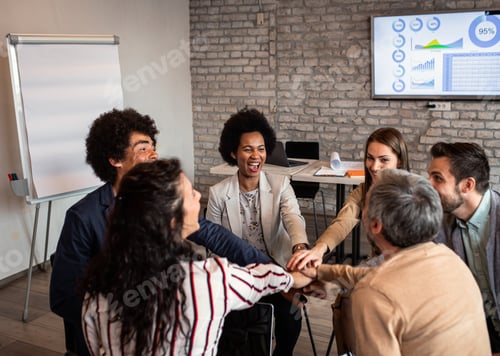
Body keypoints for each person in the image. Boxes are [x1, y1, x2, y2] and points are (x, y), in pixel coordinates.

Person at [50, 108, 272, 356]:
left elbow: (213, 234)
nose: (154, 154)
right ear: (115, 159)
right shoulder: (83, 217)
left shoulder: (158, 201)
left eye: (153, 145)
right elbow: (62, 297)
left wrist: (273, 267)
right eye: (143, 148)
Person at [81, 159, 308, 355]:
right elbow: (262, 279)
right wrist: (295, 278)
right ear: (172, 219)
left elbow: (96, 348)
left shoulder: (96, 292)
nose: (198, 194)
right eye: (190, 193)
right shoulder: (208, 280)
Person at [299, 169, 490, 355]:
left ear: (375, 224)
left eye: (365, 204)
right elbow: (380, 279)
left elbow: (379, 285)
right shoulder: (449, 258)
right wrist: (321, 273)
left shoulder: (373, 295)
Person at [206, 107, 309, 355]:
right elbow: (212, 243)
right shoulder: (218, 193)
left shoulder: (280, 183)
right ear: (233, 152)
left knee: (291, 311)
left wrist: (300, 247)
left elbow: (293, 218)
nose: (256, 155)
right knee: (230, 320)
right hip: (239, 275)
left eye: (261, 148)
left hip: (276, 271)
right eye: (248, 149)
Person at [287, 127, 410, 270]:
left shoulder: (414, 197)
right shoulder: (365, 190)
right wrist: (319, 249)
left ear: (399, 161)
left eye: (384, 160)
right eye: (370, 158)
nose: (375, 167)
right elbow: (344, 221)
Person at [429, 142, 500, 355]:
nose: (428, 185)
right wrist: (333, 274)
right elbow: (404, 256)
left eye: (437, 178)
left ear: (467, 185)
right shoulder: (441, 221)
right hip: (475, 331)